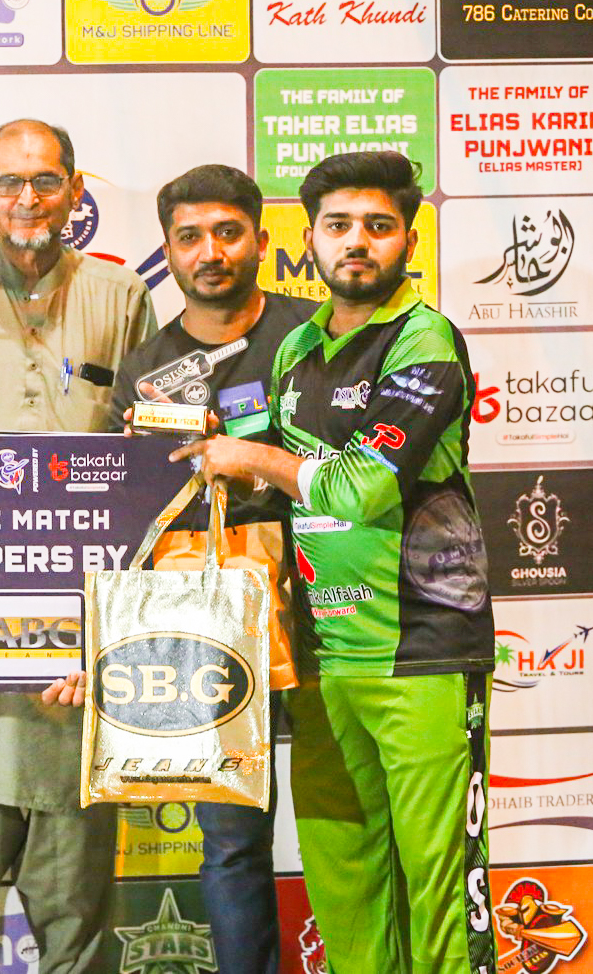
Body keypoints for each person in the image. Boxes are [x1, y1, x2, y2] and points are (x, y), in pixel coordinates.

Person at [172, 151, 497, 974]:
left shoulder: (424, 339)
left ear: (408, 242)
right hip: (322, 658)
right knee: (345, 890)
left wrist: (252, 459)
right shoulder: (295, 349)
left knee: (438, 893)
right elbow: (281, 490)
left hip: (421, 652)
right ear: (308, 239)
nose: (357, 241)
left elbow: (361, 487)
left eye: (378, 226)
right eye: (338, 225)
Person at [0, 118, 157, 974]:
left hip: (75, 652)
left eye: (45, 181)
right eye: (8, 182)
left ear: (74, 191)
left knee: (76, 911)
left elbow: (147, 471)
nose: (27, 199)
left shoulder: (120, 296)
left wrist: (116, 635)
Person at [110, 164, 313, 974]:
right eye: (189, 237)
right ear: (167, 250)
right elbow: (134, 521)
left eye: (227, 233)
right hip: (212, 616)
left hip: (330, 602)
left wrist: (254, 463)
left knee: (353, 819)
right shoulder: (145, 370)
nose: (210, 252)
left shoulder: (314, 331)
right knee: (230, 839)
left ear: (260, 240)